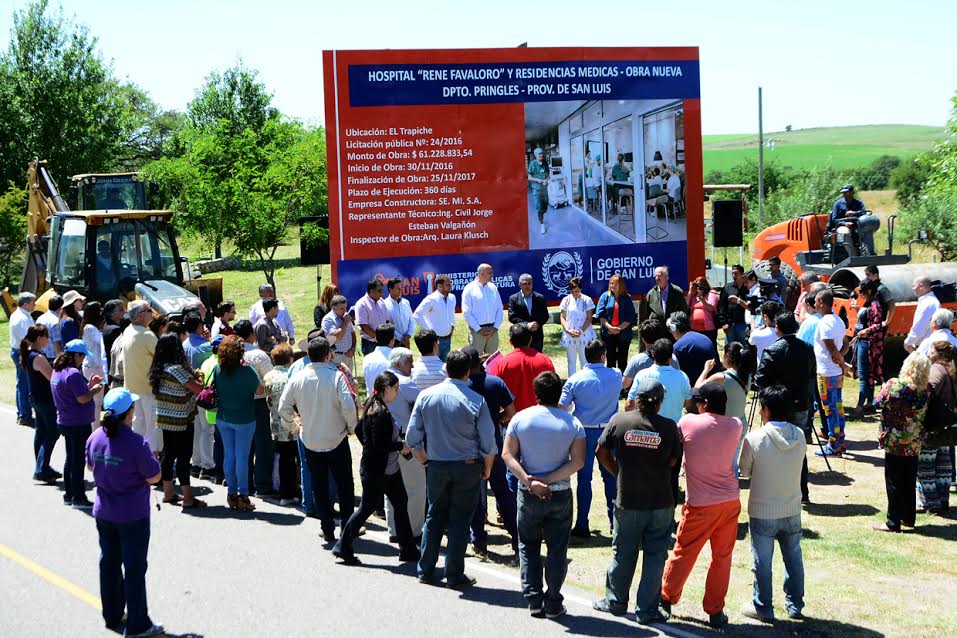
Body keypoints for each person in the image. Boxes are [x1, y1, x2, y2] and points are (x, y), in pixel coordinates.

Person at [591, 378, 681, 624]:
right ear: (660, 402)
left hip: (628, 500)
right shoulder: (670, 427)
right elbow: (674, 462)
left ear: (636, 399)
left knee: (623, 553)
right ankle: (647, 610)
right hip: (660, 501)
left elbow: (601, 451)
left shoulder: (619, 420)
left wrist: (618, 472)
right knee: (654, 556)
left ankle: (616, 602)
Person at [406, 350, 497, 589]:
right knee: (460, 520)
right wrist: (487, 468)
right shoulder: (476, 400)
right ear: (467, 371)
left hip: (436, 465)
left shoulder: (426, 397)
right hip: (467, 466)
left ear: (446, 369)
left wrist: (424, 459)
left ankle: (426, 569)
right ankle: (454, 573)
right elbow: (488, 441)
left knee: (434, 515)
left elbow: (412, 436)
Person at [502, 371, 586, 619]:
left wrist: (529, 480)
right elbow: (578, 461)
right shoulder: (573, 423)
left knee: (528, 546)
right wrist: (548, 480)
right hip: (559, 493)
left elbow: (507, 455)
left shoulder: (520, 419)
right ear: (559, 393)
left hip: (528, 494)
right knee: (557, 549)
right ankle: (553, 600)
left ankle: (533, 598)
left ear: (536, 393)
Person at [660, 383, 742, 629]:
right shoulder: (736, 425)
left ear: (704, 404)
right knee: (722, 558)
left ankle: (666, 598)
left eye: (698, 402)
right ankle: (715, 612)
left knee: (684, 552)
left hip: (700, 504)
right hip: (729, 501)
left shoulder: (688, 423)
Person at [86, 388, 164, 638]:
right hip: (132, 515)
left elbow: (90, 465)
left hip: (104, 511)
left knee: (108, 563)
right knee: (134, 568)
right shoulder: (136, 442)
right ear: (128, 413)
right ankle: (138, 624)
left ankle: (112, 613)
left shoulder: (96, 436)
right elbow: (154, 476)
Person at [333, 370, 420, 564]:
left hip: (387, 469)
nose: (397, 393)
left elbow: (358, 430)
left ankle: (408, 550)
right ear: (387, 389)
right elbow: (377, 446)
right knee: (366, 508)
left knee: (400, 502)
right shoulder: (379, 413)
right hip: (378, 471)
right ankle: (343, 546)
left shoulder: (373, 405)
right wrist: (400, 446)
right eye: (396, 389)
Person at [738, 386, 807, 622]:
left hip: (763, 509)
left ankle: (763, 606)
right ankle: (795, 605)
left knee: (762, 562)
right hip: (791, 507)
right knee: (794, 558)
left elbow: (745, 471)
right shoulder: (799, 435)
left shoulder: (755, 438)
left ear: (764, 410)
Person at [279, 337, 358, 542]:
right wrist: (351, 427)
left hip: (311, 439)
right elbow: (349, 407)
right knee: (344, 485)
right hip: (336, 438)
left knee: (319, 485)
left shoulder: (298, 377)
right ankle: (347, 528)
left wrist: (295, 427)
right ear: (328, 355)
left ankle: (327, 527)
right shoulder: (337, 377)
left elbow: (283, 408)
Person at [559, 340, 621, 537]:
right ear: (603, 356)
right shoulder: (616, 375)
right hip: (609, 432)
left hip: (584, 433)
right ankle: (614, 522)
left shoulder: (575, 379)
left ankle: (582, 523)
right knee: (611, 476)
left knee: (583, 478)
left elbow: (562, 407)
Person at [754, 312, 816, 504]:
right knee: (799, 448)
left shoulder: (773, 350)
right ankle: (802, 491)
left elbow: (760, 379)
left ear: (778, 329)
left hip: (779, 406)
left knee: (777, 447)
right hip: (801, 404)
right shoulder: (807, 348)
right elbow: (812, 373)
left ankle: (780, 490)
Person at [462, 346, 518, 554]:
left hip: (470, 445)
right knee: (503, 490)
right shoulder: (496, 382)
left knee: (475, 493)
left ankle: (478, 539)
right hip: (493, 443)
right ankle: (516, 535)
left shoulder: (463, 386)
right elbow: (511, 411)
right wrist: (497, 420)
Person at [874, 352, 930, 532]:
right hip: (914, 441)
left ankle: (893, 522)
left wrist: (882, 388)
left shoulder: (894, 385)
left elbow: (877, 403)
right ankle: (908, 517)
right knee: (909, 479)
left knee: (893, 480)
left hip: (895, 440)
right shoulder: (926, 391)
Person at [149, 333, 206, 508]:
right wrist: (201, 379)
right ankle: (188, 498)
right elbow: (197, 389)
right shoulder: (176, 369)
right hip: (181, 419)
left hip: (166, 418)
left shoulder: (158, 369)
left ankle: (168, 493)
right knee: (183, 457)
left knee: (168, 454)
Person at [212, 335, 263, 512]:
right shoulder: (246, 371)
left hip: (224, 417)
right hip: (244, 419)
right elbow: (259, 389)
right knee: (242, 457)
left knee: (229, 456)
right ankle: (243, 495)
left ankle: (231, 494)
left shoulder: (218, 369)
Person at [52, 339, 104, 507]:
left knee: (71, 458)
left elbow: (73, 392)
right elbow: (82, 398)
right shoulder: (73, 373)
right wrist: (96, 390)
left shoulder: (58, 370)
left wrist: (89, 385)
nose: (83, 360)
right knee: (78, 461)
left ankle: (69, 494)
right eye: (82, 356)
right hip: (77, 423)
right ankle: (78, 497)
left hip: (66, 421)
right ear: (76, 355)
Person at [382, 348, 425, 542]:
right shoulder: (405, 384)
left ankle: (394, 530)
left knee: (391, 488)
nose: (413, 365)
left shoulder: (382, 381)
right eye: (409, 362)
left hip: (387, 444)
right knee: (415, 488)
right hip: (406, 443)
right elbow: (424, 405)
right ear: (399, 364)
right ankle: (414, 531)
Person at [696, 341, 756, 474]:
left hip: (724, 425)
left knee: (719, 462)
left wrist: (706, 370)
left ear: (727, 356)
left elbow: (696, 389)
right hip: (740, 423)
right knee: (733, 461)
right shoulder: (747, 376)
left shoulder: (721, 377)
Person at [234, 318, 276, 497]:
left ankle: (245, 483)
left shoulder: (233, 353)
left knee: (244, 445)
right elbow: (270, 380)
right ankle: (262, 484)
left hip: (239, 402)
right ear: (251, 334)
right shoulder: (259, 355)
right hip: (259, 402)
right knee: (263, 443)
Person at [919, 342, 955, 514]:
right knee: (943, 462)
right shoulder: (953, 369)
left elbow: (928, 391)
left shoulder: (937, 369)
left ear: (939, 354)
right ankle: (943, 499)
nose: (928, 353)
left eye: (931, 351)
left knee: (925, 462)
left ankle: (929, 502)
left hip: (933, 424)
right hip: (949, 424)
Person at [813, 290, 851, 457]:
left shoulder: (825, 322)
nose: (814, 305)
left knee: (830, 410)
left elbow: (832, 348)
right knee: (838, 408)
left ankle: (834, 445)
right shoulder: (837, 320)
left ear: (822, 302)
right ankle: (840, 442)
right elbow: (846, 345)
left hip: (826, 373)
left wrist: (841, 362)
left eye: (815, 302)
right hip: (834, 372)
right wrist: (841, 360)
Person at [121, 301, 162, 453]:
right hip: (149, 389)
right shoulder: (146, 335)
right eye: (149, 310)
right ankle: (152, 464)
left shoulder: (128, 330)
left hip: (132, 388)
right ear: (140, 316)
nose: (152, 312)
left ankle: (137, 458)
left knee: (138, 425)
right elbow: (162, 356)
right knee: (153, 427)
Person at [487, 323, 556, 412]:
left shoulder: (501, 364)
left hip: (512, 419)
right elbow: (554, 389)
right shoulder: (545, 360)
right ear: (530, 339)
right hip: (541, 416)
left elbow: (495, 392)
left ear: (510, 342)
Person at [263, 344, 300, 506]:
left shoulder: (268, 376)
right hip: (293, 422)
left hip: (276, 423)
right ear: (290, 358)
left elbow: (268, 401)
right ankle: (296, 491)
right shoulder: (292, 375)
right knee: (296, 460)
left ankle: (285, 493)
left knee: (284, 459)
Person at [21, 325, 59, 483]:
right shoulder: (38, 357)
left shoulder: (31, 354)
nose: (48, 339)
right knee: (53, 432)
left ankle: (42, 466)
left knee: (41, 431)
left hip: (37, 398)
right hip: (45, 399)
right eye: (46, 336)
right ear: (38, 338)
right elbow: (52, 377)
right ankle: (41, 468)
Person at [627, 338, 692, 419]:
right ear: (671, 356)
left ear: (653, 354)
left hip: (647, 428)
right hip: (672, 428)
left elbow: (629, 405)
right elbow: (688, 402)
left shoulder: (641, 375)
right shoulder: (683, 377)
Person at [852, 280, 886, 416]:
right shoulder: (869, 304)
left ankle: (861, 405)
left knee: (864, 375)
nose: (860, 294)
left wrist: (867, 331)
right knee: (868, 374)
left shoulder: (875, 304)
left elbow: (879, 324)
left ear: (869, 291)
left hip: (867, 343)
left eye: (861, 291)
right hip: (863, 342)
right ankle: (869, 403)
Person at [621, 319, 678, 395]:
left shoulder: (636, 360)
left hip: (645, 403)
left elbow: (624, 384)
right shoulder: (672, 358)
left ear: (643, 339)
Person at [596, 274, 636, 373]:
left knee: (622, 361)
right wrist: (610, 327)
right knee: (610, 361)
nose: (612, 285)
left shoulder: (627, 298)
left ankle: (623, 385)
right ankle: (611, 383)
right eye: (611, 283)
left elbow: (630, 317)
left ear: (621, 285)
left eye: (615, 284)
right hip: (608, 334)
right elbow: (600, 315)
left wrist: (618, 329)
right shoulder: (605, 296)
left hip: (624, 334)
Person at [462, 263, 503, 355]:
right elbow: (466, 313)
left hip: (493, 331)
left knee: (492, 360)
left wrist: (495, 327)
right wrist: (479, 329)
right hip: (477, 332)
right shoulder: (469, 289)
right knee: (476, 360)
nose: (492, 275)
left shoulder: (493, 288)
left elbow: (500, 309)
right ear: (481, 273)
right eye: (489, 272)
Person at [412, 274, 456, 361]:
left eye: (450, 284)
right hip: (434, 340)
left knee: (445, 366)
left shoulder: (452, 297)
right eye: (447, 285)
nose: (450, 286)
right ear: (439, 286)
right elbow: (417, 315)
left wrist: (452, 326)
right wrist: (429, 331)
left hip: (447, 338)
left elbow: (451, 314)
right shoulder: (431, 299)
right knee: (434, 365)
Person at [669, 311, 718, 387]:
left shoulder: (677, 347)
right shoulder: (705, 338)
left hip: (695, 389)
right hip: (713, 384)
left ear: (674, 328)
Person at [559, 276, 597, 375]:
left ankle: (584, 382)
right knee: (571, 361)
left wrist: (581, 331)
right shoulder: (566, 300)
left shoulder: (587, 300)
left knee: (584, 360)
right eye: (572, 291)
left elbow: (589, 318)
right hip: (569, 334)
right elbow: (563, 317)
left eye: (577, 291)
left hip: (584, 334)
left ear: (580, 288)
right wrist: (568, 330)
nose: (575, 293)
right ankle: (572, 383)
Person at [10, 291, 37, 426]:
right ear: (26, 304)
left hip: (18, 350)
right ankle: (25, 415)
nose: (35, 305)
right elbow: (25, 340)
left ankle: (22, 413)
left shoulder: (20, 315)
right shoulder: (23, 319)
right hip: (23, 352)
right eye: (33, 302)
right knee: (24, 384)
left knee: (21, 383)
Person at [80, 301, 107, 430]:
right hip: (94, 367)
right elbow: (100, 340)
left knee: (96, 401)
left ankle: (93, 428)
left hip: (91, 366)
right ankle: (94, 430)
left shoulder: (86, 326)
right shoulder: (90, 328)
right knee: (97, 402)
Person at [508, 274, 550, 353]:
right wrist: (527, 325)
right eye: (524, 284)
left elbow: (545, 316)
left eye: (529, 283)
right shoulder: (513, 298)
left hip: (537, 334)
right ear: (520, 285)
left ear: (532, 284)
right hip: (521, 335)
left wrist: (536, 324)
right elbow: (512, 316)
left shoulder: (540, 298)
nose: (527, 286)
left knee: (537, 360)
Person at [321, 295, 357, 373]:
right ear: (334, 308)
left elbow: (353, 333)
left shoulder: (345, 316)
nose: (345, 311)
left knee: (349, 382)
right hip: (336, 358)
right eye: (341, 308)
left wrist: (353, 348)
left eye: (345, 308)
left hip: (349, 356)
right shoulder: (328, 320)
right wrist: (345, 322)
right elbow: (336, 338)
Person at [905, 276, 940, 352]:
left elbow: (920, 327)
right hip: (928, 347)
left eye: (914, 286)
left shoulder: (927, 303)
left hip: (925, 348)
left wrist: (908, 342)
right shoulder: (931, 301)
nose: (913, 289)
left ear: (921, 286)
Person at [355, 279, 390, 356]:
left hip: (384, 342)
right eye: (379, 291)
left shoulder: (382, 301)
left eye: (382, 290)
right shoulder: (362, 304)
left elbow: (387, 321)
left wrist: (387, 337)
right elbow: (364, 327)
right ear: (372, 291)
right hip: (369, 344)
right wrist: (379, 338)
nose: (382, 293)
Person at [717, 264, 750, 345]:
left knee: (745, 348)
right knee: (729, 349)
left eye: (736, 273)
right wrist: (724, 323)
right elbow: (722, 306)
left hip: (744, 324)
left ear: (742, 274)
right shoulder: (728, 287)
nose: (733, 275)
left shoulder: (747, 288)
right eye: (732, 273)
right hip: (730, 325)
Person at [362, 323, 395, 396]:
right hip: (389, 403)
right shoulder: (395, 359)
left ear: (376, 338)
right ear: (392, 340)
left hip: (371, 402)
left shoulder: (367, 358)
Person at [687, 276, 719, 347]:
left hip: (708, 330)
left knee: (710, 348)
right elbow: (685, 307)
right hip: (695, 329)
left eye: (699, 286)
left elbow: (711, 308)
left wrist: (701, 297)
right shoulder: (693, 296)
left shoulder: (711, 294)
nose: (697, 288)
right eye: (696, 286)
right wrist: (690, 292)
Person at [384, 277, 415, 348]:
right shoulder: (384, 305)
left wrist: (408, 335)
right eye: (398, 288)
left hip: (406, 341)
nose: (400, 290)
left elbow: (412, 320)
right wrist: (401, 338)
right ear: (390, 289)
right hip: (393, 342)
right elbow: (388, 325)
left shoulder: (406, 302)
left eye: (401, 287)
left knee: (407, 359)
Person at [864, 265, 897, 332]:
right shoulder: (873, 288)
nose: (866, 278)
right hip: (872, 324)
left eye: (868, 275)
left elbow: (892, 304)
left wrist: (887, 321)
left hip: (879, 325)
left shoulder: (882, 289)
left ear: (875, 276)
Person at [528, 147, 549, 235]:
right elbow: (529, 177)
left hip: (544, 189)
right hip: (537, 189)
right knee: (539, 207)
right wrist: (538, 180)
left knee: (545, 206)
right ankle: (541, 224)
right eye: (539, 154)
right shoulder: (533, 164)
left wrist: (546, 180)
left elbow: (548, 175)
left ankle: (541, 216)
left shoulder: (545, 163)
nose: (541, 156)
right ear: (536, 155)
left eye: (542, 154)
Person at [37, 294, 64, 359]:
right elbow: (57, 342)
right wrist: (60, 359)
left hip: (41, 354)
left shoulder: (40, 318)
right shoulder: (56, 322)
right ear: (60, 308)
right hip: (53, 357)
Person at [101, 299, 126, 370]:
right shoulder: (115, 330)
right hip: (116, 369)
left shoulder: (107, 325)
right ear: (112, 313)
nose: (125, 311)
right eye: (121, 309)